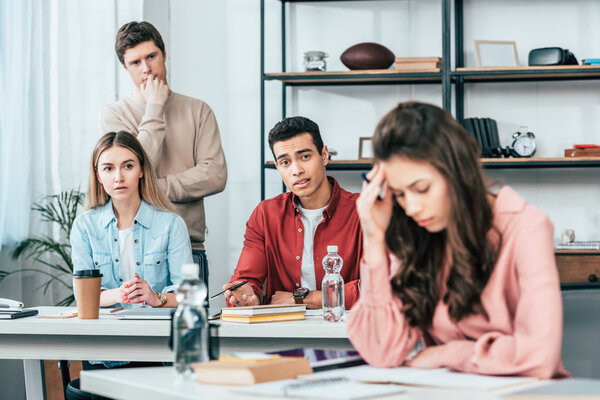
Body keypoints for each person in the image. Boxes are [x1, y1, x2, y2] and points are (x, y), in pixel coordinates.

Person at [348, 102, 570, 378]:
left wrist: (446, 354)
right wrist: (373, 239)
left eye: (422, 189)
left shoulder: (526, 227)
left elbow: (538, 357)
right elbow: (381, 352)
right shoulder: (417, 235)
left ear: (457, 172)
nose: (412, 207)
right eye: (400, 194)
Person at [99, 21, 227, 288]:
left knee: (190, 328)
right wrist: (154, 109)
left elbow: (215, 175)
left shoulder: (198, 110)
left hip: (190, 247)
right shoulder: (114, 114)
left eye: (151, 57)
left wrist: (154, 187)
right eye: (135, 62)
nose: (146, 68)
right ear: (125, 67)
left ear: (164, 54)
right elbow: (128, 168)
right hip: (131, 246)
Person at [70, 131, 192, 373]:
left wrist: (156, 298)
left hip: (160, 350)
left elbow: (190, 296)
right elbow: (84, 298)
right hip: (105, 351)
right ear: (98, 176)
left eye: (127, 166)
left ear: (141, 170)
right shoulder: (84, 226)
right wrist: (119, 294)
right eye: (108, 168)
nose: (118, 177)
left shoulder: (171, 225)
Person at [224, 117, 362, 309]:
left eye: (305, 156)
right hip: (286, 331)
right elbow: (246, 281)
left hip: (348, 329)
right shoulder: (265, 215)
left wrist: (304, 299)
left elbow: (381, 291)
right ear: (277, 167)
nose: (296, 170)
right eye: (285, 162)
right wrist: (245, 295)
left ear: (324, 155)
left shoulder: (363, 211)